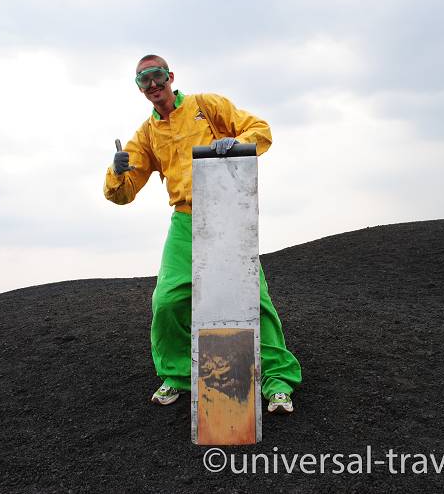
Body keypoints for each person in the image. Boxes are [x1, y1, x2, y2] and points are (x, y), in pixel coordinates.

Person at [103, 54, 301, 414]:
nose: (152, 85)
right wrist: (117, 173)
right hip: (185, 220)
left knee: (253, 298)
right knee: (167, 300)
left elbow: (260, 129)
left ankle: (278, 381)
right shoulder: (147, 133)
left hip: (226, 213)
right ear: (139, 88)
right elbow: (124, 192)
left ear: (170, 76)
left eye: (157, 75)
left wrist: (236, 143)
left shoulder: (205, 106)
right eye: (143, 80)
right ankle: (178, 374)